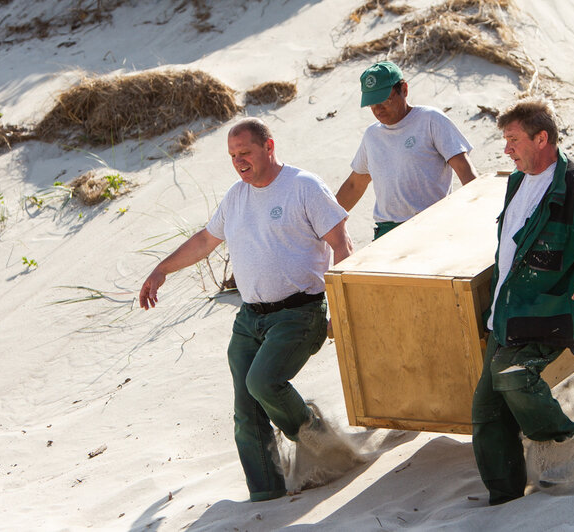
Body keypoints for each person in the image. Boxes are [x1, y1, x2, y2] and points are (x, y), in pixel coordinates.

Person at [139, 118, 354, 502]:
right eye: (233, 156)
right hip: (250, 317)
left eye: (246, 153)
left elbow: (342, 245)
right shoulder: (236, 196)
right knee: (246, 410)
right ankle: (266, 493)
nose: (239, 162)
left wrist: (340, 307)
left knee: (263, 383)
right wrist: (161, 270)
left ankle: (319, 440)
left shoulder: (303, 186)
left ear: (269, 147)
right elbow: (205, 240)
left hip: (299, 312)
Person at [471, 98, 574, 505]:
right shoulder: (516, 180)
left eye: (513, 140)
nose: (507, 149)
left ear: (542, 138)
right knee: (486, 412)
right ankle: (503, 498)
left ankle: (566, 445)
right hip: (507, 314)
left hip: (547, 312)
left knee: (513, 375)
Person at [336, 60, 479, 239]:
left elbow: (464, 169)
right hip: (387, 232)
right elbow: (355, 184)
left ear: (404, 89)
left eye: (384, 101)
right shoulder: (372, 135)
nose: (378, 110)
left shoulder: (430, 120)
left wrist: (479, 212)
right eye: (372, 104)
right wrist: (326, 221)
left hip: (433, 226)